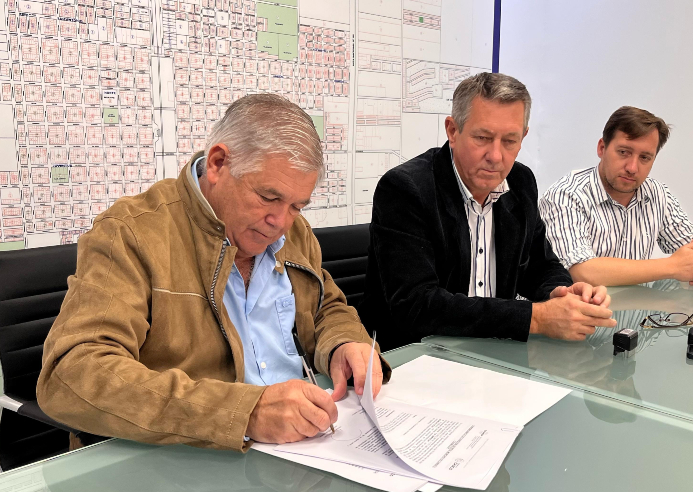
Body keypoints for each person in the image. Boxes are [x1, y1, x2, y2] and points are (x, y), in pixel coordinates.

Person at [37, 94, 389, 452]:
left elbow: (325, 307)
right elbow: (74, 373)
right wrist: (245, 413)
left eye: (297, 206)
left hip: (303, 447)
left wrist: (344, 343)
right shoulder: (132, 233)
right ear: (218, 163)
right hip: (191, 456)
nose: (280, 222)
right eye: (268, 198)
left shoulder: (294, 232)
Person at [359, 72, 616, 351]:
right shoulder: (406, 188)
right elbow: (416, 305)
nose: (495, 156)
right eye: (482, 137)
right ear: (453, 131)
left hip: (495, 353)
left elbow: (539, 265)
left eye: (510, 141)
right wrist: (535, 318)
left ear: (523, 136)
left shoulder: (521, 182)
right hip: (416, 356)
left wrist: (561, 291)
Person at [539, 106, 693, 287]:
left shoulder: (657, 194)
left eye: (645, 157)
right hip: (579, 306)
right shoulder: (566, 195)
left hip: (637, 305)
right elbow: (582, 272)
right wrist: (673, 266)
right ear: (602, 148)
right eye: (623, 152)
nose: (632, 168)